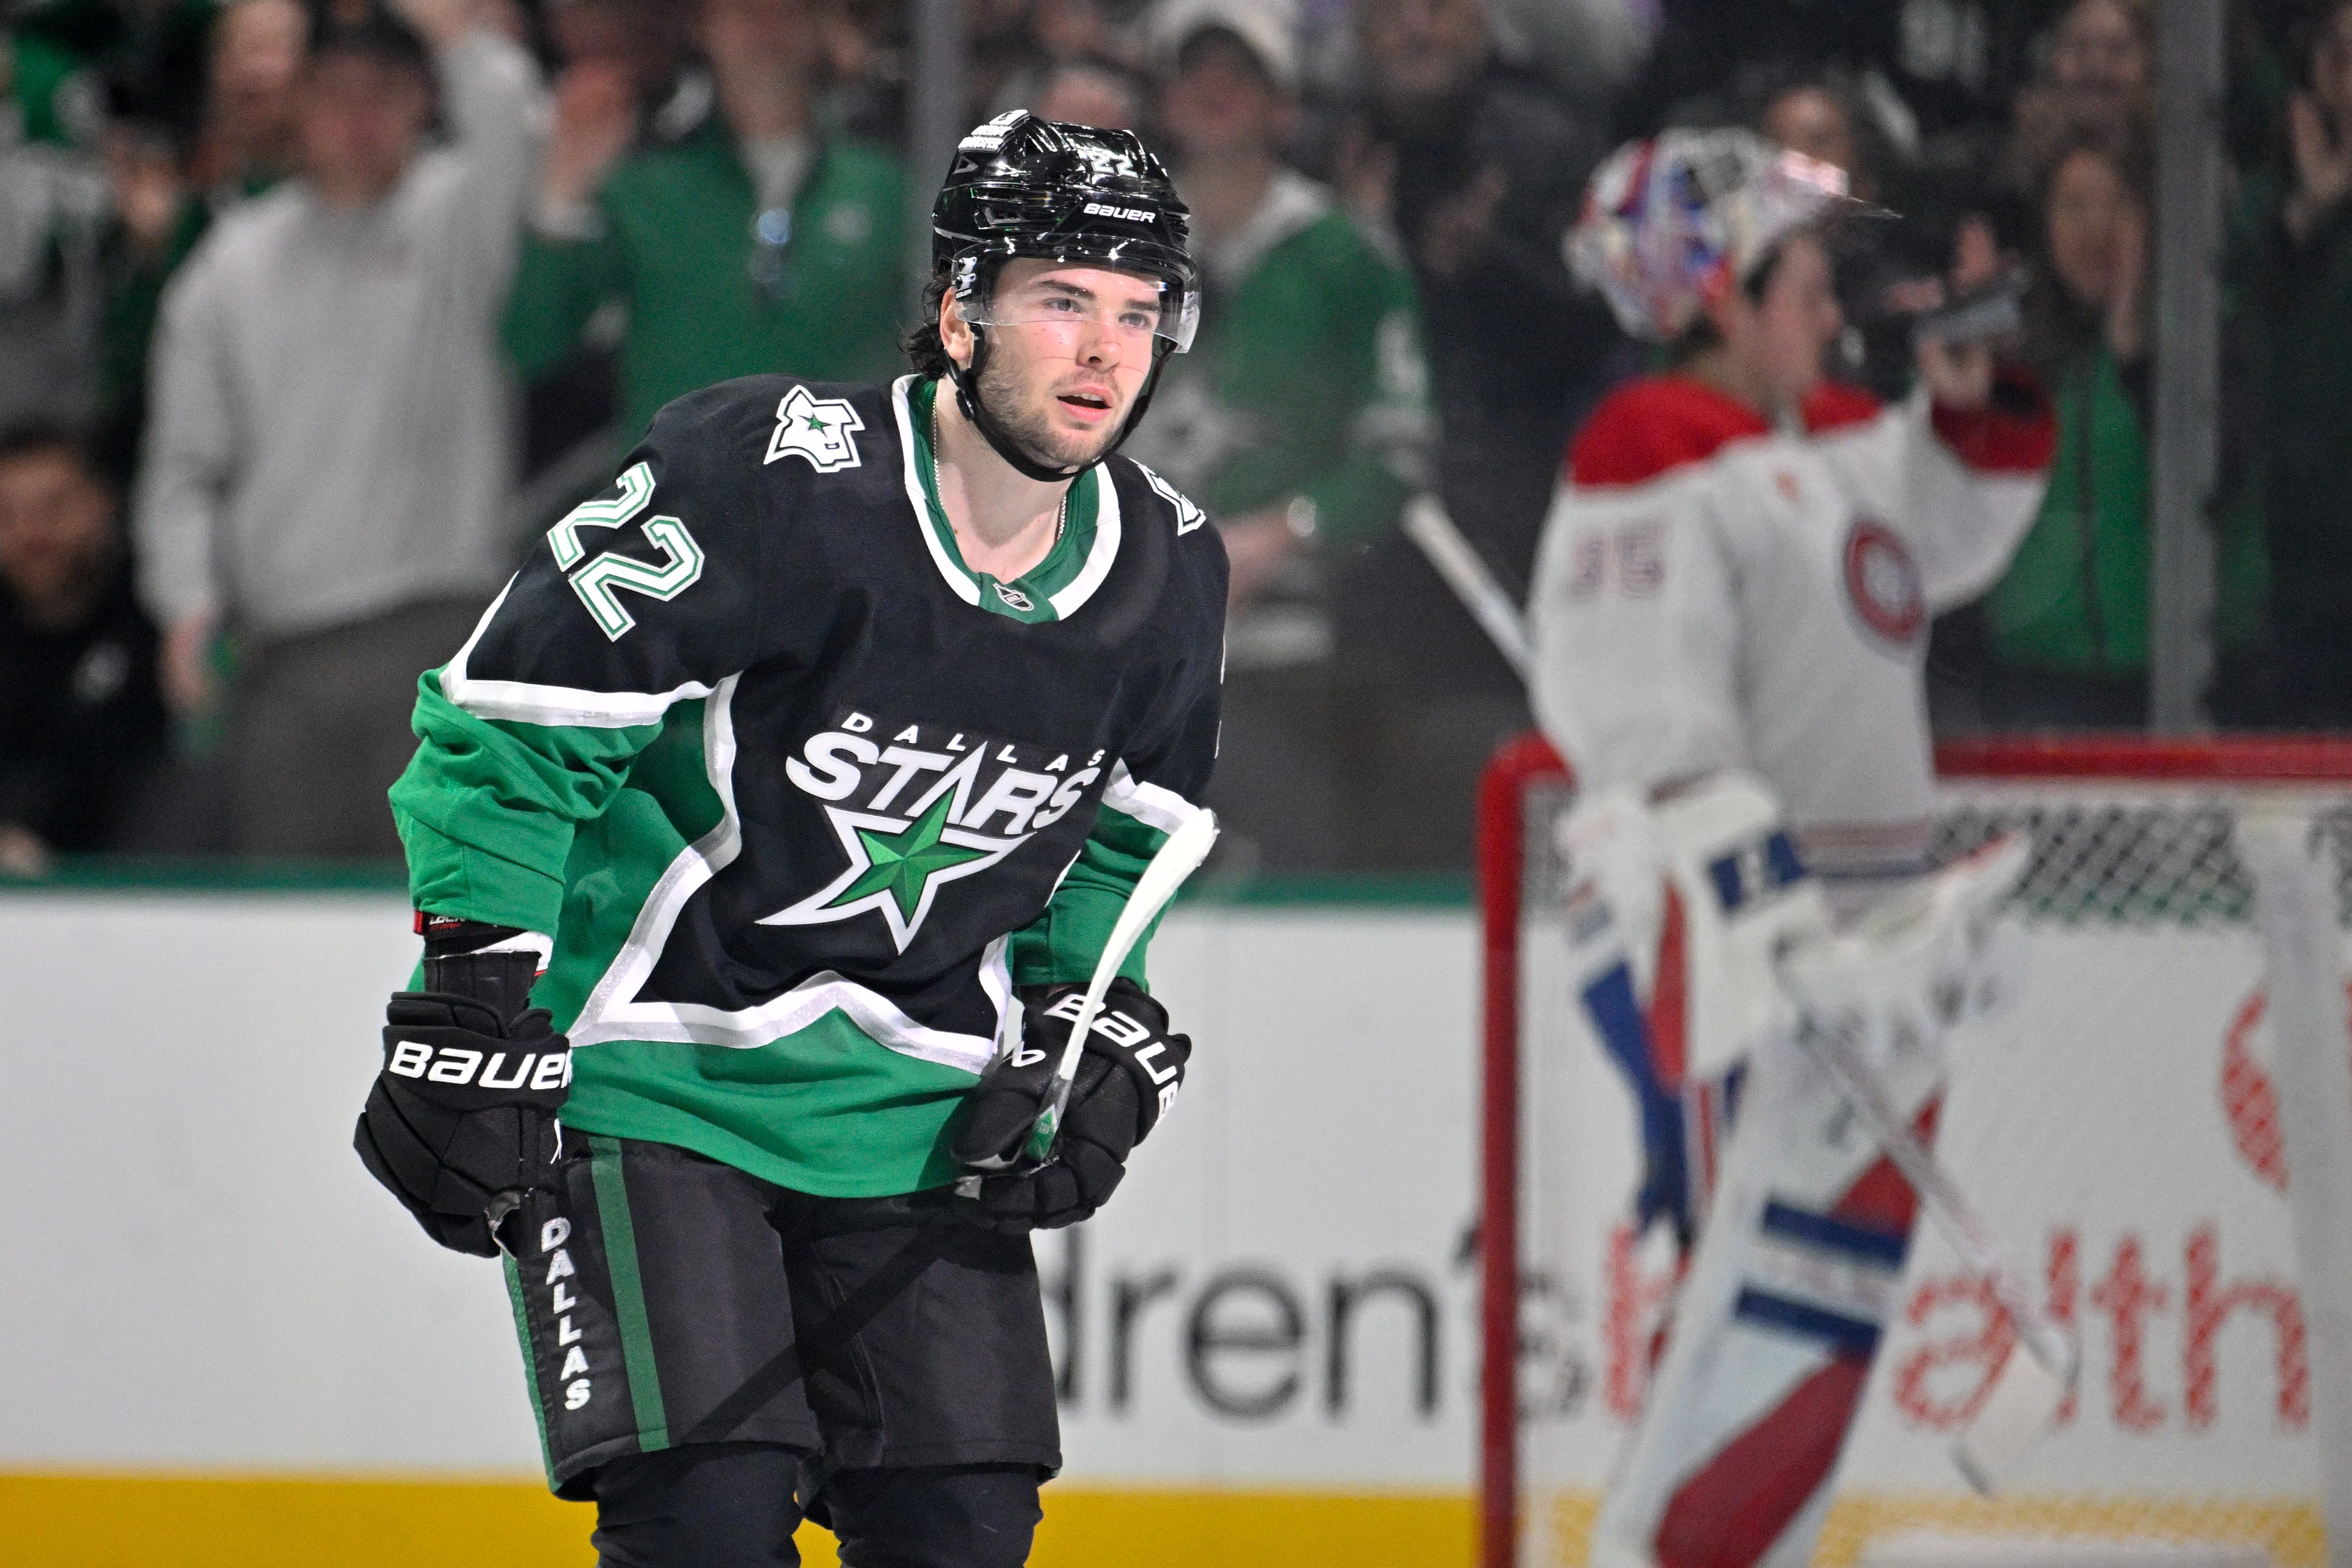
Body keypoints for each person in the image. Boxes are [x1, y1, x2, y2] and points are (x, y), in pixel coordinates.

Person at [354, 114, 1224, 1564]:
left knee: (960, 1528)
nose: (1104, 353)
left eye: (1139, 313)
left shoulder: (1172, 567)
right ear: (959, 307)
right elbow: (514, 714)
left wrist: (1090, 1015)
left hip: (920, 1119)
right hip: (654, 1080)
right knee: (710, 1515)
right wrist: (476, 976)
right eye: (1062, 299)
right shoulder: (770, 470)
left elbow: (1128, 836)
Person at [1530, 129, 2052, 1568]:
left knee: (1811, 1306)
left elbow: (1947, 534)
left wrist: (1963, 406)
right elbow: (1634, 713)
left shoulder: (1814, 442)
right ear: (1720, 298)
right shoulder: (1647, 449)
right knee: (1735, 1288)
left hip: (1857, 961)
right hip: (1723, 952)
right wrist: (1754, 909)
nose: (1833, 314)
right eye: (1808, 283)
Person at [133, 0, 541, 858]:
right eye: (337, 92)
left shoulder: (458, 219)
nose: (360, 117)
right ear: (300, 105)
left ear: (421, 103)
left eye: (385, 92)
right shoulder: (230, 265)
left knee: (438, 918)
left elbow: (508, 110)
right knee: (285, 923)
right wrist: (187, 603)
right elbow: (184, 472)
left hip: (442, 638)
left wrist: (447, 27)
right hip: (286, 656)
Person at [1123, 0, 1430, 869]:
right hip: (1117, 656)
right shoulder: (1107, 253)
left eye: (1240, 76)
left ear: (1284, 104)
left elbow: (1397, 450)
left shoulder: (1345, 256)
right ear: (1167, 100)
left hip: (1296, 656)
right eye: (1195, 74)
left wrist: (1278, 534)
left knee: (1294, 885)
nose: (1214, 93)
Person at [1333, 0, 1612, 869]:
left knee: (1486, 735)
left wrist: (1490, 265)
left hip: (1510, 511)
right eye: (1393, 14)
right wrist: (1361, 251)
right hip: (1373, 523)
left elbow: (1598, 331)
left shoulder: (1548, 148)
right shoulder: (1325, 152)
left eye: (1440, 9)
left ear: (1483, 26)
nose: (1415, 28)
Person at [506, 0, 907, 449]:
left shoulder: (889, 189)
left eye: (789, 10)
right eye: (742, 11)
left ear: (823, 26)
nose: (766, 29)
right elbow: (530, 343)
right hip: (681, 504)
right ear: (701, 27)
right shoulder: (644, 188)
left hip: (843, 500)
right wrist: (560, 194)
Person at [1976, 125, 2268, 728]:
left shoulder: (2209, 334)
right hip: (2035, 684)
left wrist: (2136, 356)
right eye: (2072, 206)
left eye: (2115, 204)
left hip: (2188, 683)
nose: (2095, 228)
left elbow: (2223, 475)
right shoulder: (2011, 353)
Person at [2236, 0, 2352, 724]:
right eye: (2335, 49)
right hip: (2301, 571)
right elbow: (2235, 322)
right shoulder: (2271, 197)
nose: (2343, 66)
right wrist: (2312, 213)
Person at [0, 422, 166, 874]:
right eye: (8, 514)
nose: (32, 533)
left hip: (151, 895)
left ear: (102, 503)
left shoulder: (159, 617)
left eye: (54, 507)